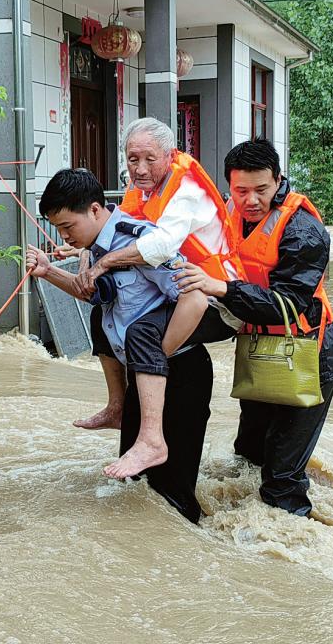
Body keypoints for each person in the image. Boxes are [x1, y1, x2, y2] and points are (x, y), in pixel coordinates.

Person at [174, 138, 333, 517]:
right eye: (241, 191)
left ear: (278, 180)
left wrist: (222, 288)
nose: (250, 200)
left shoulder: (303, 231)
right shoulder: (227, 213)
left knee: (281, 480)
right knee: (248, 457)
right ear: (229, 186)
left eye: (261, 190)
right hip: (259, 349)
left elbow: (286, 305)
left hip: (306, 355)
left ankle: (285, 546)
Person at [27, 168, 208, 479]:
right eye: (58, 229)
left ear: (95, 209)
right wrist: (47, 271)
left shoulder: (142, 242)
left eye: (68, 226)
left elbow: (196, 299)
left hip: (179, 375)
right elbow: (91, 294)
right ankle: (118, 408)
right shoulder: (97, 248)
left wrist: (158, 354)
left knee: (174, 495)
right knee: (135, 488)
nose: (65, 237)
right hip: (144, 379)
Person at [71, 117, 241, 433]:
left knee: (140, 332)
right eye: (133, 159)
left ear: (169, 155)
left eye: (150, 159)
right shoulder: (143, 189)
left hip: (217, 300)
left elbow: (161, 246)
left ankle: (150, 406)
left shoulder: (186, 189)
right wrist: (84, 255)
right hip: (173, 289)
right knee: (101, 316)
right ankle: (116, 407)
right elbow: (110, 228)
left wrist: (104, 263)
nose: (141, 168)